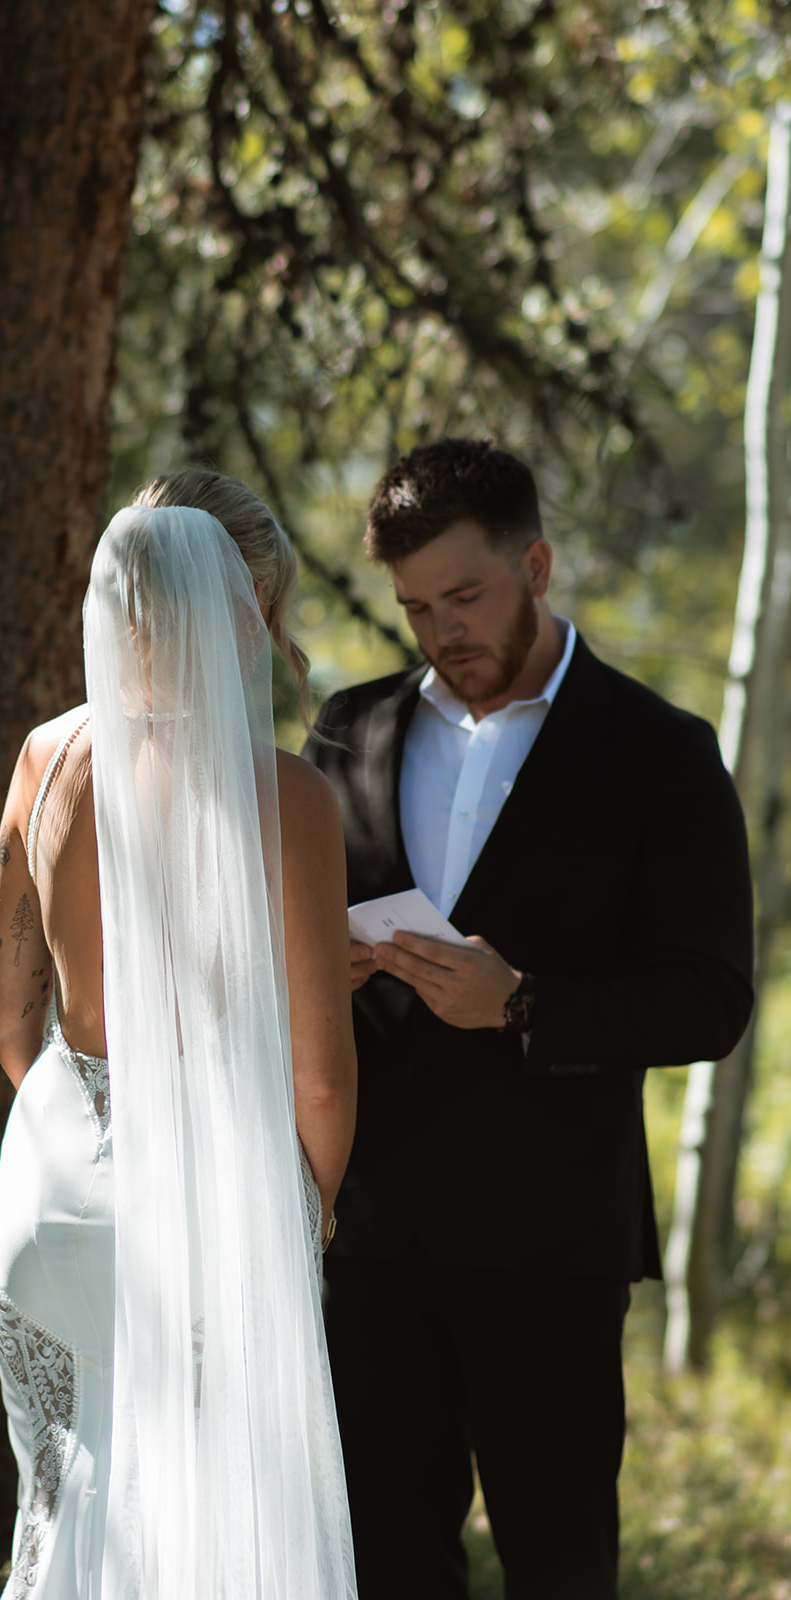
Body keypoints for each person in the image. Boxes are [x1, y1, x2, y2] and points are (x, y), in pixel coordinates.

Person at [303, 437, 754, 1600]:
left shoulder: (659, 751)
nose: (442, 630)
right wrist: (321, 967)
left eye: (465, 595)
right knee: (385, 1565)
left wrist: (522, 1004)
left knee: (558, 1565)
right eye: (415, 607)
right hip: (372, 1245)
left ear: (536, 564)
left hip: (549, 1246)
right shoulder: (344, 732)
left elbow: (708, 997)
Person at [0, 470, 358, 1600]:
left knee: (61, 1509)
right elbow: (322, 1079)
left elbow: (5, 1013)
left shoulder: (46, 756)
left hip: (47, 1193)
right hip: (210, 1200)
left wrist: (83, 1124)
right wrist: (305, 1219)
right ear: (235, 608)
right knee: (219, 1541)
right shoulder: (283, 800)